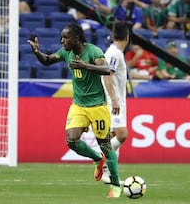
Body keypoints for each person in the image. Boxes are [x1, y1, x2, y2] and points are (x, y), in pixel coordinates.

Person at [28, 23, 122, 198]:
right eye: (62, 37)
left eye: (66, 37)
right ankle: (97, 158)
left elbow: (107, 69)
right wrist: (36, 52)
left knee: (106, 146)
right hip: (78, 105)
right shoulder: (66, 52)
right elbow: (48, 60)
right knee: (71, 140)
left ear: (77, 38)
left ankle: (116, 186)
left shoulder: (93, 52)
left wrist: (85, 66)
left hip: (97, 106)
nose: (62, 40)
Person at [101, 21, 129, 184]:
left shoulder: (115, 52)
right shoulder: (114, 53)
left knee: (112, 136)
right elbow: (107, 74)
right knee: (121, 135)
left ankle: (110, 173)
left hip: (116, 102)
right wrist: (114, 99)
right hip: (113, 102)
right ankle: (100, 159)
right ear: (127, 37)